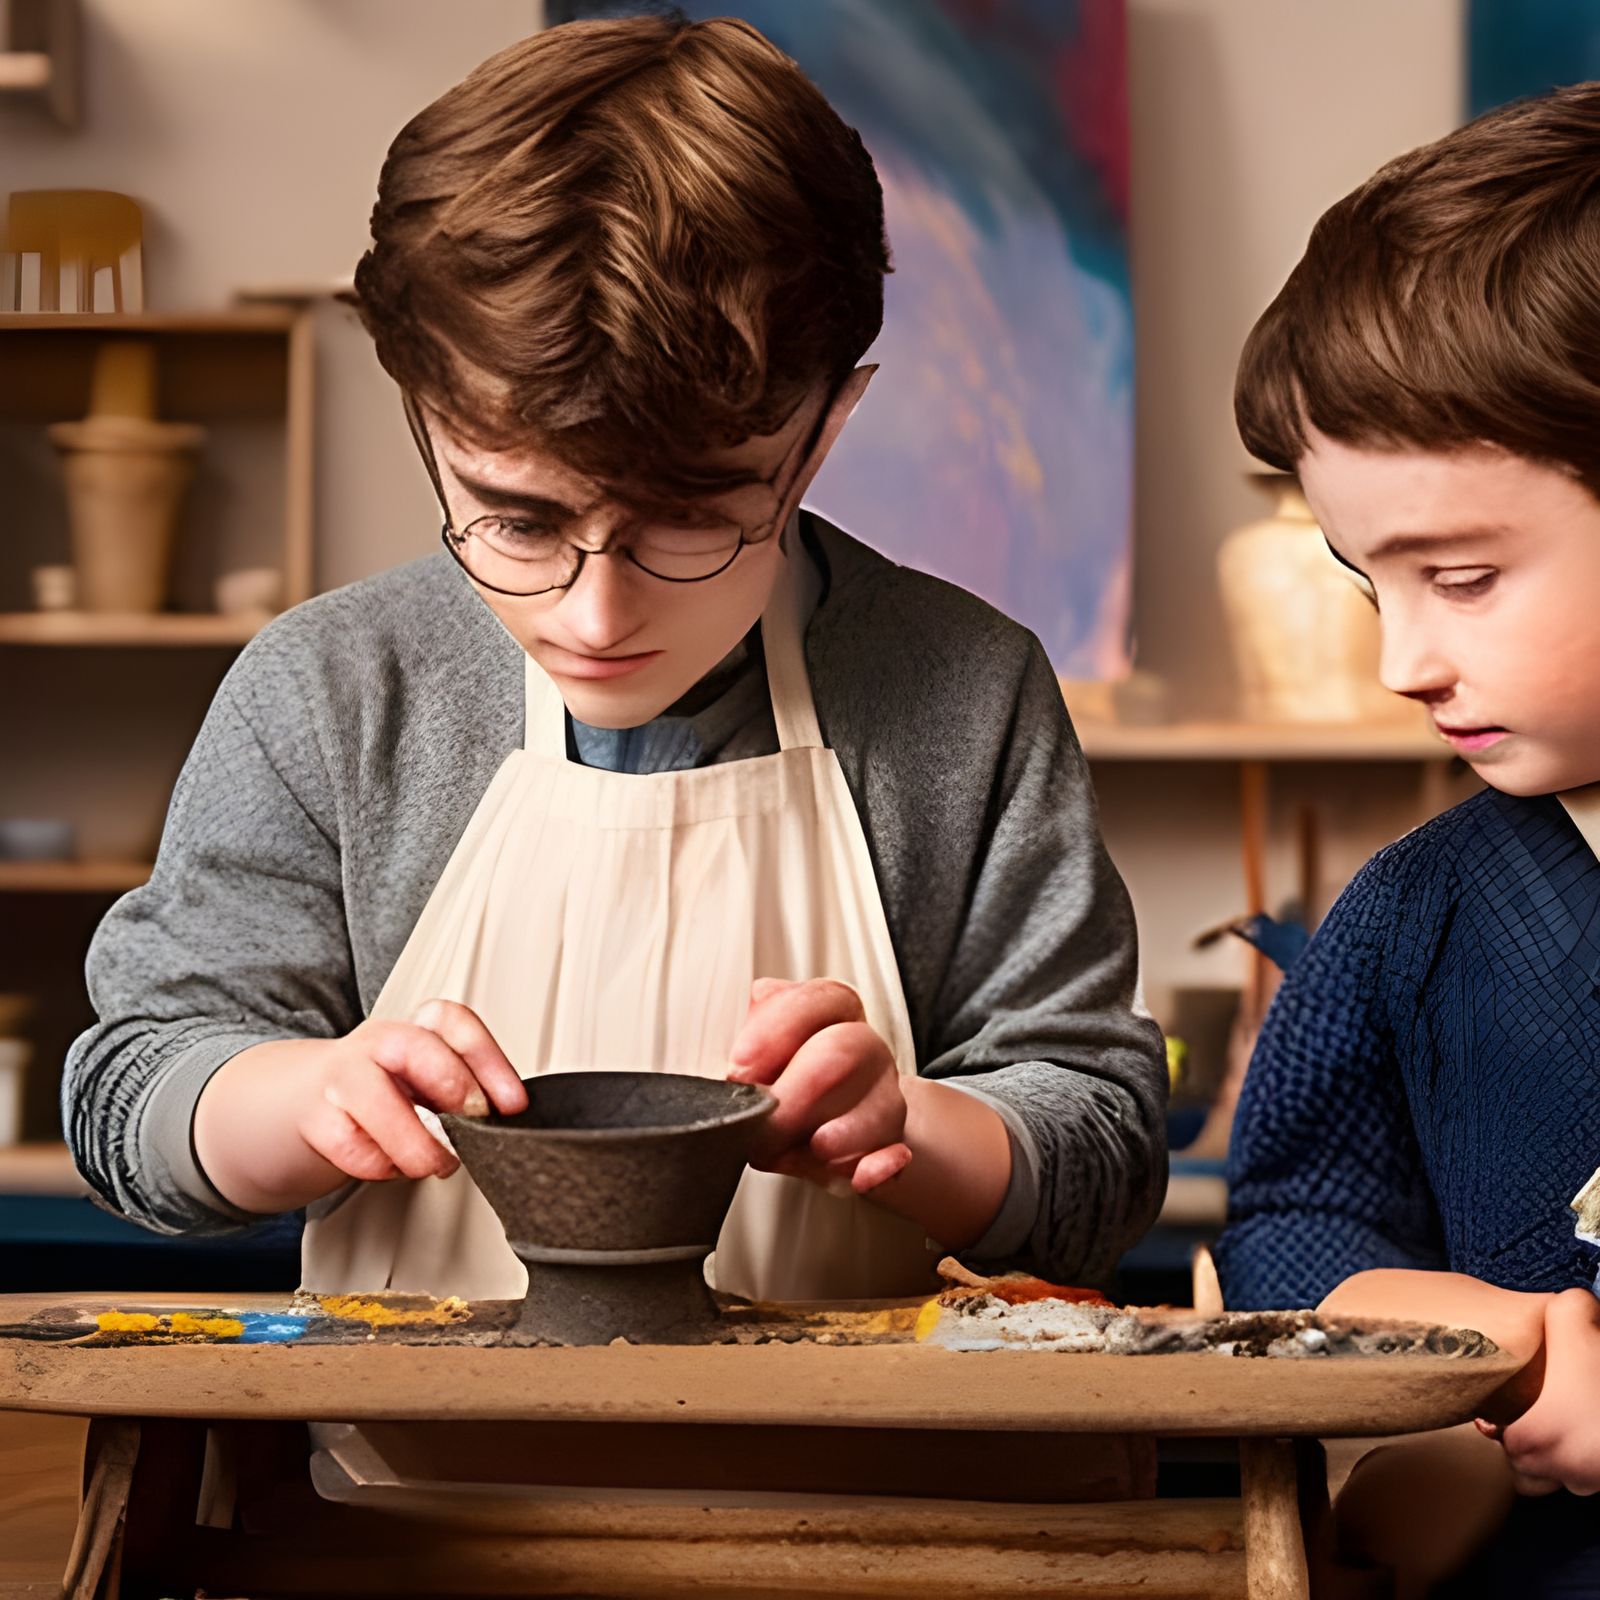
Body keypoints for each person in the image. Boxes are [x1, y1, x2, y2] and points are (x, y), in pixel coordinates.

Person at [63, 14, 1166, 1308]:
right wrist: (303, 1100)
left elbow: (1099, 1158)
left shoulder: (965, 698)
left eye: (692, 524)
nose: (595, 615)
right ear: (424, 410)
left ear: (822, 431)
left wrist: (913, 1131)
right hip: (394, 1505)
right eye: (519, 521)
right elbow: (130, 1091)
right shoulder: (335, 692)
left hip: (857, 1503)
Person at [1214, 82, 1600, 1594]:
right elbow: (1292, 1235)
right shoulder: (1418, 915)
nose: (1402, 663)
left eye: (1461, 577)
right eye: (1372, 584)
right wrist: (1498, 1340)